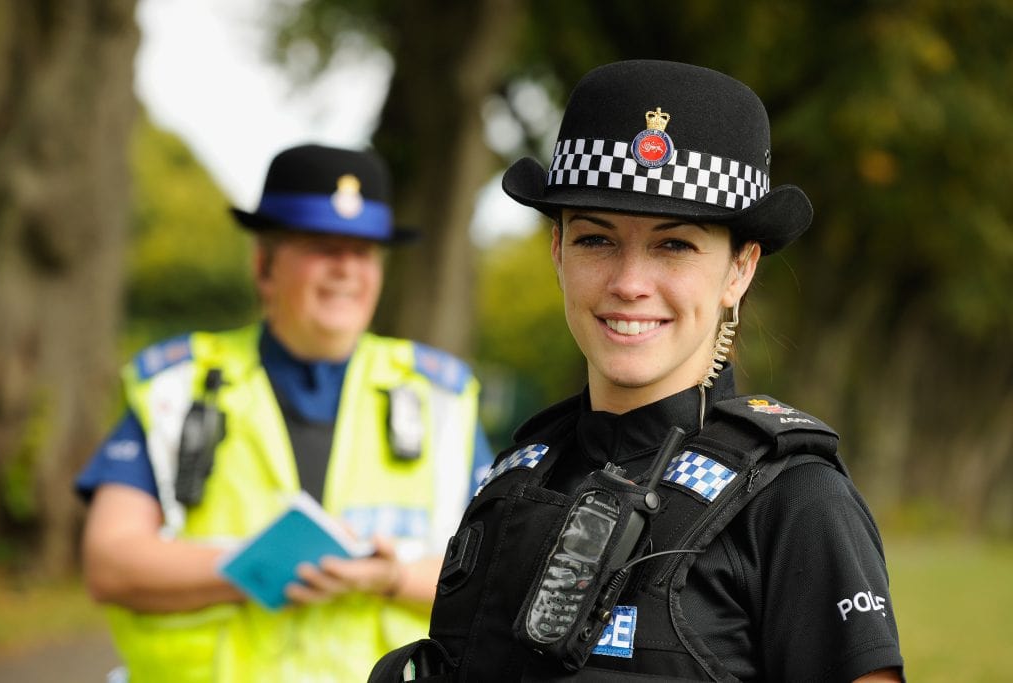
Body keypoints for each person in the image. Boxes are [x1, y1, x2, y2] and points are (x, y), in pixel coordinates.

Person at [370, 61, 904, 682]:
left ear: (739, 269)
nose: (628, 283)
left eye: (674, 245)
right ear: (557, 252)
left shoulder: (798, 504)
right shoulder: (512, 480)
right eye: (596, 240)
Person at [75, 144, 494, 682]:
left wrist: (389, 577)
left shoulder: (441, 398)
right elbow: (109, 562)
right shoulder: (177, 387)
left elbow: (494, 574)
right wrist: (259, 566)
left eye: (364, 251)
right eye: (323, 247)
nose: (346, 269)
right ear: (263, 267)